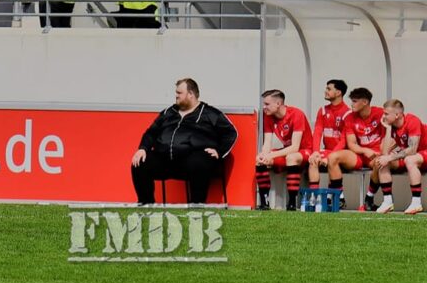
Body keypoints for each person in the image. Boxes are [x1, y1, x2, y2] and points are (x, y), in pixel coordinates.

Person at [131, 77, 239, 205]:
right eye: (176, 93)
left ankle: (197, 206)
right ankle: (146, 205)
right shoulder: (168, 113)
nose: (176, 96)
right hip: (166, 160)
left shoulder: (210, 113)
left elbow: (231, 132)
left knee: (198, 161)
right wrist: (143, 148)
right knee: (140, 162)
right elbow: (151, 132)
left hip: (193, 161)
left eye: (179, 93)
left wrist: (219, 151)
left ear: (191, 94)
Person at [328, 87, 390, 211]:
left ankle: (369, 199)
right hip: (359, 154)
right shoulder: (350, 117)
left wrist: (380, 152)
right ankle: (339, 198)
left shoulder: (380, 114)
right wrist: (364, 150)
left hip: (376, 154)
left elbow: (390, 136)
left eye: (355, 101)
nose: (352, 104)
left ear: (365, 102)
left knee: (380, 162)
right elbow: (351, 144)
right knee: (332, 157)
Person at [256, 89, 312, 211]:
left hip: (305, 151)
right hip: (287, 151)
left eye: (267, 104)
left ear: (278, 104)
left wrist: (272, 155)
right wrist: (264, 155)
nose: (264, 107)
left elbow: (295, 147)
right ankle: (264, 202)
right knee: (259, 159)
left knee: (291, 157)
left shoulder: (297, 114)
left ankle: (291, 203)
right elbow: (267, 142)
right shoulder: (268, 116)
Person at [378, 99, 424, 214]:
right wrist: (388, 129)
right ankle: (388, 201)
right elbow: (385, 153)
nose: (383, 117)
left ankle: (416, 202)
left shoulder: (412, 121)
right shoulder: (390, 125)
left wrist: (390, 157)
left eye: (386, 114)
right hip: (412, 156)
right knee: (382, 161)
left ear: (397, 115)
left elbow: (412, 149)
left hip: (422, 152)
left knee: (409, 159)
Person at [307, 78, 352, 190]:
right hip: (327, 150)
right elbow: (317, 133)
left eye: (329, 89)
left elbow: (344, 140)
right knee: (313, 160)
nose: (325, 91)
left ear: (338, 92)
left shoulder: (348, 113)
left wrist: (331, 156)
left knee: (332, 160)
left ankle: (337, 196)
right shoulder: (322, 110)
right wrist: (315, 152)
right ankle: (314, 196)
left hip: (342, 153)